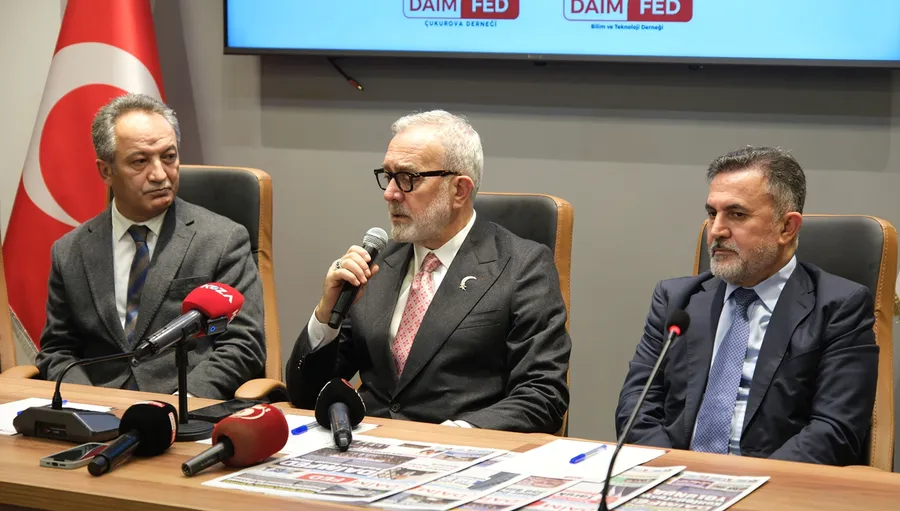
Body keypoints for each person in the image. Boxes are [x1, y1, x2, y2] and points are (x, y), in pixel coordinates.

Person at [286, 110, 570, 433]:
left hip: (461, 451)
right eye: (388, 176)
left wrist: (452, 436)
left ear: (459, 190)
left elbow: (543, 395)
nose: (390, 193)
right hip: (367, 448)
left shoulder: (522, 266)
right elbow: (306, 395)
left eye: (408, 178)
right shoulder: (378, 264)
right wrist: (326, 316)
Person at [616, 146, 878, 465]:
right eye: (712, 213)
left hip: (777, 480)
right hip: (674, 475)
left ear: (787, 227)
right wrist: (672, 471)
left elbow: (835, 429)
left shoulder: (838, 306)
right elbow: (637, 407)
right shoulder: (677, 300)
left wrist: (756, 481)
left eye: (737, 214)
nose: (716, 230)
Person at [35, 93, 265, 399]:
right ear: (106, 171)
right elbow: (58, 350)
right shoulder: (70, 251)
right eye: (140, 162)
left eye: (169, 157)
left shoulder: (222, 240)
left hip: (183, 407)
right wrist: (88, 402)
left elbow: (243, 344)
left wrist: (181, 403)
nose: (159, 175)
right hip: (95, 409)